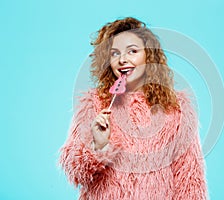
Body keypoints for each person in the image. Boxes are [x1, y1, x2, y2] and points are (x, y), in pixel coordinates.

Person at [59, 17, 208, 199]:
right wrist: (99, 145)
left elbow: (189, 176)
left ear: (149, 56)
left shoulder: (176, 108)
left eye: (132, 51)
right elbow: (75, 172)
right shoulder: (94, 103)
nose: (123, 59)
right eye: (115, 53)